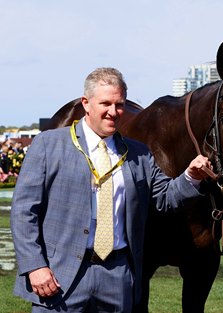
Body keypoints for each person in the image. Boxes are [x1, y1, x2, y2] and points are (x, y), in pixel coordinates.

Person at [10, 67, 212, 312]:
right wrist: (35, 266)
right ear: (86, 103)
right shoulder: (48, 145)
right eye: (105, 103)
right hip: (59, 276)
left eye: (119, 105)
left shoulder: (139, 153)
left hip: (117, 278)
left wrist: (191, 176)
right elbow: (23, 212)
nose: (113, 112)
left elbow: (165, 197)